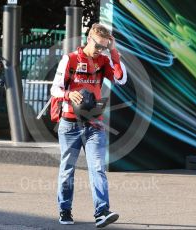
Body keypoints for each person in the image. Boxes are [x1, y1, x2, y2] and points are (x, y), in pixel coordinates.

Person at [51, 23, 127, 228]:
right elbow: (54, 89)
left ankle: (102, 212)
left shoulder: (103, 60)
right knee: (67, 169)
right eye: (98, 45)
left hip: (94, 124)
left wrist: (113, 52)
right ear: (88, 38)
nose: (99, 50)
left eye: (104, 47)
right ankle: (64, 210)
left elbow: (121, 79)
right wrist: (68, 94)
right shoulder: (71, 59)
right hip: (69, 123)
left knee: (97, 168)